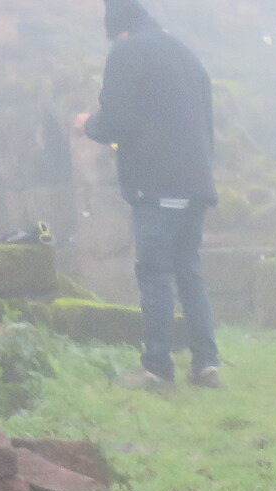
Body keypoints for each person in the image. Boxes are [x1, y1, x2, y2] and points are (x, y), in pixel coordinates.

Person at [78, 0, 219, 390]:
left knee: (155, 273)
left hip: (157, 184)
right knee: (189, 270)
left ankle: (157, 369)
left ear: (118, 29)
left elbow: (117, 121)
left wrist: (88, 124)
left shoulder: (127, 51)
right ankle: (206, 364)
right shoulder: (186, 54)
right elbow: (207, 121)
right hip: (196, 183)